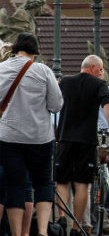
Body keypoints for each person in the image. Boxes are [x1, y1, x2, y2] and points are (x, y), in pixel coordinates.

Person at [0, 33, 63, 236]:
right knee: (43, 182)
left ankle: (17, 233)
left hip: (9, 136)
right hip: (40, 137)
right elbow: (56, 105)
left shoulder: (1, 69)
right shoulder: (43, 71)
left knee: (15, 184)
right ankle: (43, 231)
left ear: (15, 48)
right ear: (34, 52)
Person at [56, 54, 109, 236]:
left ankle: (61, 219)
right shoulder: (100, 85)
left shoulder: (65, 81)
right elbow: (108, 106)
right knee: (82, 183)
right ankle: (76, 227)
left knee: (62, 180)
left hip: (64, 137)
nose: (101, 73)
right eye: (100, 70)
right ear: (92, 68)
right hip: (86, 140)